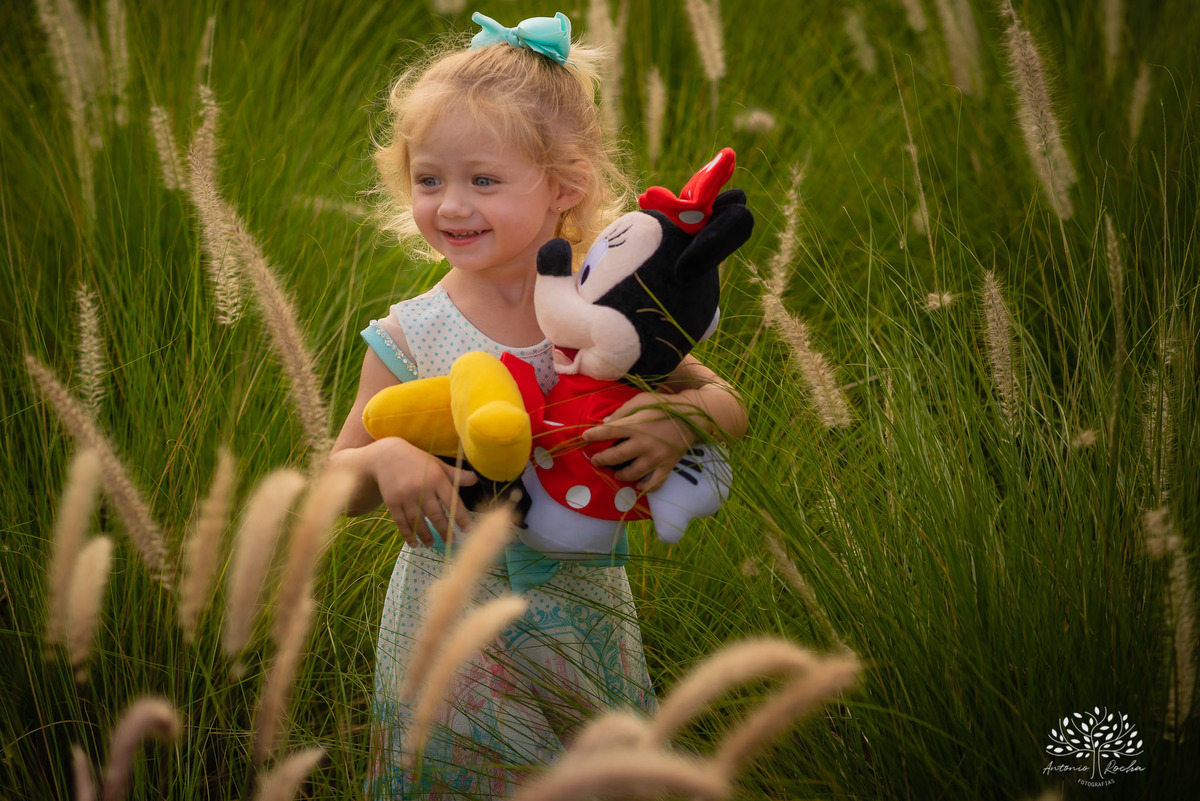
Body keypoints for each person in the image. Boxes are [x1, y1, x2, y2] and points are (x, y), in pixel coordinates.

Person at [330, 11, 748, 798]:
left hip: (582, 626)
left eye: (483, 180)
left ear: (566, 185)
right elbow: (327, 487)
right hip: (450, 637)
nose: (452, 204)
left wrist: (677, 417)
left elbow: (729, 404)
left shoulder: (610, 315)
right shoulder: (409, 334)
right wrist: (388, 456)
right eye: (430, 179)